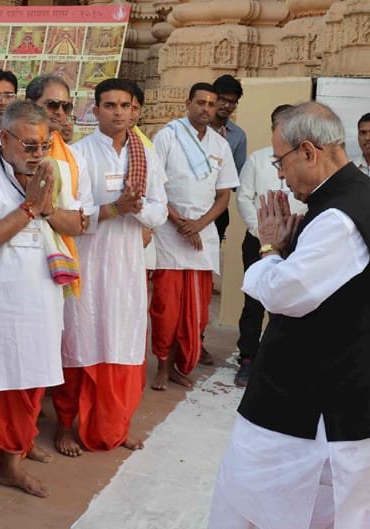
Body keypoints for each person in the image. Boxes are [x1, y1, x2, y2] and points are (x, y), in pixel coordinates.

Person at [210, 101, 370, 529]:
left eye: (280, 160)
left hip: (321, 409)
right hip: (326, 395)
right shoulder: (347, 197)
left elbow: (287, 293)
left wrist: (268, 249)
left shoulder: (341, 216)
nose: (279, 174)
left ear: (308, 151)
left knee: (265, 506)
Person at [0, 100, 77, 516]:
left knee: (28, 391)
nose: (37, 154)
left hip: (40, 304)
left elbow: (77, 223)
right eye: (28, 145)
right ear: (3, 139)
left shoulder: (49, 175)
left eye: (43, 146)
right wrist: (30, 206)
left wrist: (47, 206)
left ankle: (12, 465)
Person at [55, 78, 168, 457]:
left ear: (135, 110)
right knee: (80, 339)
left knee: (122, 342)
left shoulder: (146, 156)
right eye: (110, 105)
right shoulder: (79, 154)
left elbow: (160, 209)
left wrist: (136, 209)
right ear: (95, 110)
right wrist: (115, 208)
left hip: (127, 265)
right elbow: (72, 212)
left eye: (125, 105)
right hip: (88, 260)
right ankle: (65, 426)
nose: (118, 112)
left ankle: (116, 426)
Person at [150, 82, 239, 390]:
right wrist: (180, 223)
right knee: (167, 308)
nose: (206, 108)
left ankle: (178, 365)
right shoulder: (167, 136)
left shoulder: (220, 145)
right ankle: (162, 365)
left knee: (195, 311)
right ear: (188, 103)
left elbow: (224, 195)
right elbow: (155, 188)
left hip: (203, 235)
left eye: (211, 104)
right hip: (169, 233)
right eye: (200, 102)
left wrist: (199, 225)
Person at [233, 105, 307, 387]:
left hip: (299, 241)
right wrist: (264, 233)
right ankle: (248, 360)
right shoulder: (257, 159)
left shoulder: (304, 160)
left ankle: (278, 360)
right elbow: (244, 198)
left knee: (289, 303)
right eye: (280, 124)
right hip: (258, 241)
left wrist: (292, 234)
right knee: (254, 301)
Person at [210, 74, 247, 242]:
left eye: (232, 102)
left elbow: (236, 181)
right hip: (184, 202)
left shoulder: (237, 136)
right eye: (222, 99)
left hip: (217, 207)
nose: (226, 105)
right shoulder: (193, 127)